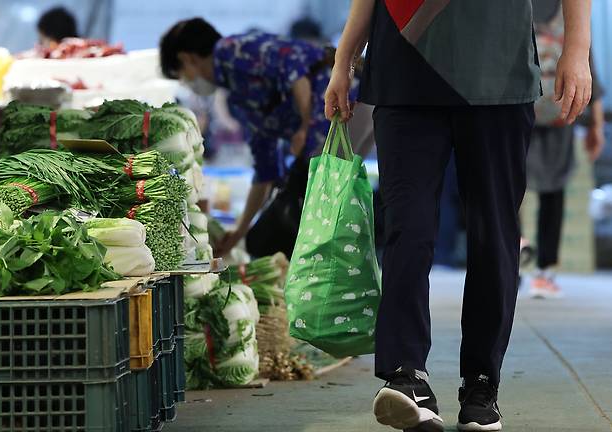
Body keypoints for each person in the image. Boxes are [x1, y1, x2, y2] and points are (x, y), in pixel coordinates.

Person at [325, 1, 592, 431]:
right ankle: (405, 373)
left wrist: (577, 52)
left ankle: (481, 383)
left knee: (494, 236)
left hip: (498, 71)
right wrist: (343, 62)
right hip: (404, 69)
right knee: (406, 229)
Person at [159, 18, 357, 257]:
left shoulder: (234, 51)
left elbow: (294, 68)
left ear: (186, 59)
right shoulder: (238, 98)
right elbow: (265, 169)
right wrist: (239, 234)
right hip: (326, 135)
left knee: (315, 214)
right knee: (262, 240)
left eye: (181, 76)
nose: (186, 84)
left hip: (347, 105)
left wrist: (305, 126)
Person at [526, 0, 605, 299]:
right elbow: (588, 66)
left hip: (521, 111)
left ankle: (515, 249)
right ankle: (544, 272)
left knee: (511, 188)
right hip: (562, 110)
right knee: (554, 192)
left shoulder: (519, 8)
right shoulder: (570, 10)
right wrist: (595, 125)